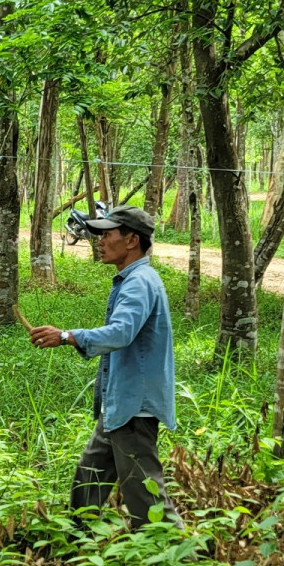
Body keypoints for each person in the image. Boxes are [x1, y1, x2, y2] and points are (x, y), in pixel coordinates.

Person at [27, 205, 182, 529]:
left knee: (146, 497)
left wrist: (67, 336)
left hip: (134, 408)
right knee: (89, 479)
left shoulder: (139, 282)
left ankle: (181, 562)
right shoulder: (132, 279)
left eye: (107, 234)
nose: (99, 240)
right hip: (120, 406)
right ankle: (79, 548)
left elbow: (122, 332)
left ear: (131, 241)